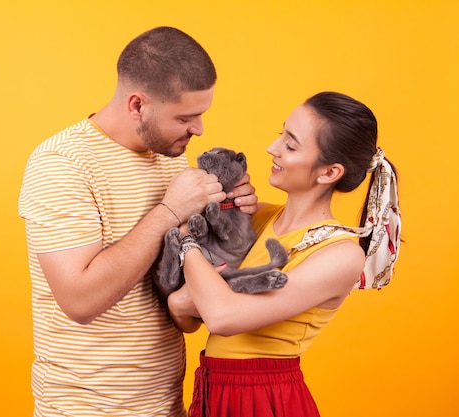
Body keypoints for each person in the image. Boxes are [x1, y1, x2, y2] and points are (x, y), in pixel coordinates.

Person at [18, 26, 257, 416]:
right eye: (186, 117)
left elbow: (178, 297)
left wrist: (236, 211)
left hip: (165, 404)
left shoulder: (169, 157)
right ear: (137, 106)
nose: (199, 129)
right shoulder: (62, 165)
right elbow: (80, 300)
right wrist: (169, 211)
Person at [167, 91, 401, 417]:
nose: (272, 148)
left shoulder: (340, 253)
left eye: (291, 145)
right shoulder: (259, 218)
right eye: (281, 134)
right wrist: (182, 300)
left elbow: (222, 316)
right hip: (213, 388)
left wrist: (186, 238)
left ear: (329, 173)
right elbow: (189, 315)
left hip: (265, 400)